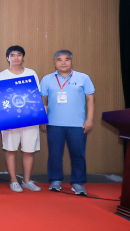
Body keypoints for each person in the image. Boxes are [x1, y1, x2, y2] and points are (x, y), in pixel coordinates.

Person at [40, 50, 95, 196]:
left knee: (78, 154)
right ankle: (55, 180)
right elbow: (43, 101)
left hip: (78, 124)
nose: (63, 62)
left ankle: (78, 183)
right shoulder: (47, 79)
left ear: (71, 61)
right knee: (54, 154)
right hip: (54, 123)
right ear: (55, 62)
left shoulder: (83, 78)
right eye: (59, 59)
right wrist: (42, 119)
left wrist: (89, 119)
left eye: (67, 59)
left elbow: (90, 99)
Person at [0, 45, 42, 193]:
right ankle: (13, 180)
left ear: (23, 57)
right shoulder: (2, 76)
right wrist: (4, 120)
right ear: (7, 58)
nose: (16, 58)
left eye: (19, 55)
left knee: (29, 150)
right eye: (12, 55)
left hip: (30, 118)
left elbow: (36, 95)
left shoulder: (31, 73)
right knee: (11, 149)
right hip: (10, 120)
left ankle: (27, 181)